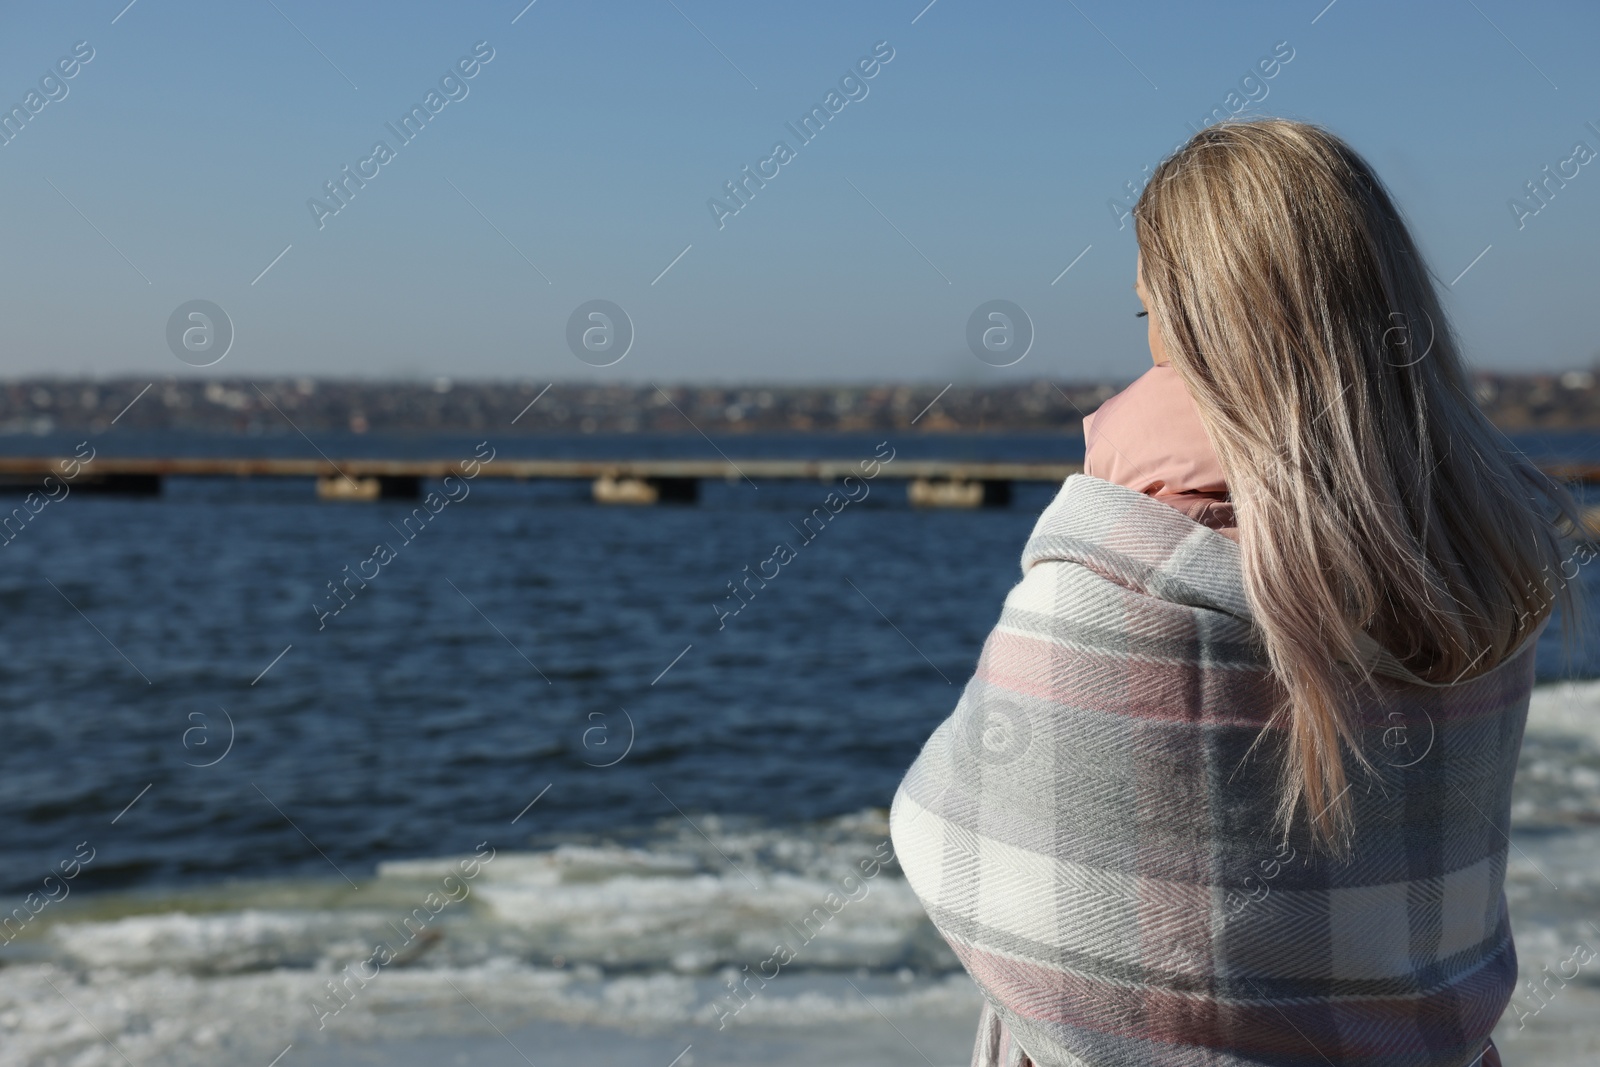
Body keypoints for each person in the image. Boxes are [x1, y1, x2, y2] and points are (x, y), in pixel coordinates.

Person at [890, 118, 1588, 1067]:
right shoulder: (1487, 586)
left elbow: (952, 844)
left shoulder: (1098, 599)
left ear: (1199, 315)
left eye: (1153, 316)